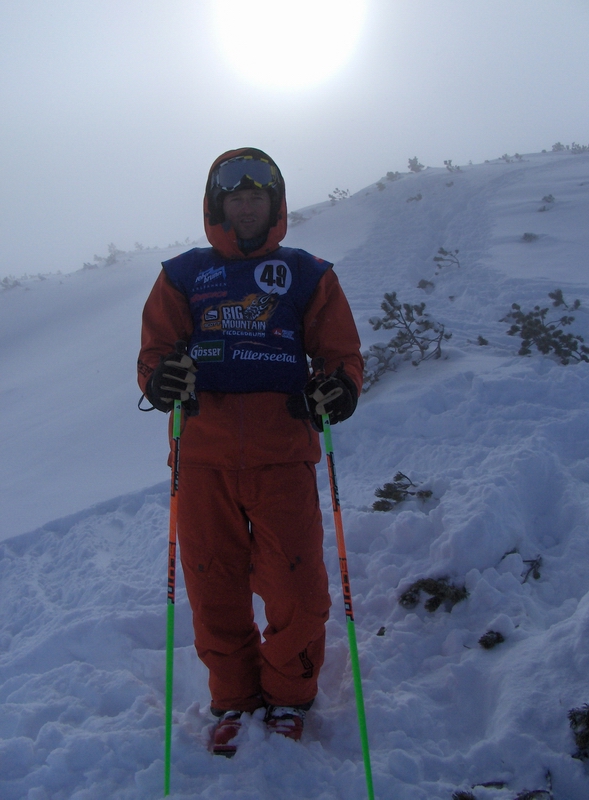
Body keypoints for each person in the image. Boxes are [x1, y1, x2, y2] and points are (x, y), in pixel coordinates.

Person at [137, 147, 363, 755]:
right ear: (218, 207)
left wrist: (339, 387)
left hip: (282, 452)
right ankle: (234, 699)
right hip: (202, 456)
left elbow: (340, 353)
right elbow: (155, 352)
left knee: (298, 586)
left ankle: (289, 695)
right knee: (214, 586)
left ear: (274, 204)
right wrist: (160, 381)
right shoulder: (183, 275)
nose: (245, 207)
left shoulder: (307, 273)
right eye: (235, 198)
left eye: (255, 197)